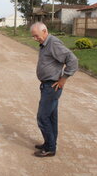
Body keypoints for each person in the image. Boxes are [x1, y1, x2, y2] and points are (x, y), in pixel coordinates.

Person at [30, 22, 78, 157]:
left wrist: (63, 79)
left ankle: (50, 148)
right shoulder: (46, 43)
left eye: (37, 36)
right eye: (33, 37)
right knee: (51, 117)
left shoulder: (53, 44)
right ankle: (49, 143)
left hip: (52, 86)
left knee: (42, 117)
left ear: (45, 31)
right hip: (47, 85)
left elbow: (72, 60)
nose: (35, 39)